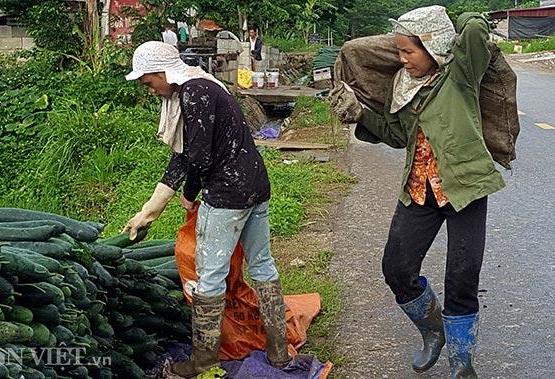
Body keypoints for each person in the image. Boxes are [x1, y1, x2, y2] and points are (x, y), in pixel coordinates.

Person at [329, 6, 505, 379]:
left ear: (434, 47)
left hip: (465, 189)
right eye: (399, 51)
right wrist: (359, 114)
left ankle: (462, 364)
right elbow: (396, 135)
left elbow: (474, 27)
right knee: (396, 268)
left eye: (409, 51)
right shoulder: (401, 87)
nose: (402, 59)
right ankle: (432, 330)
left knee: (462, 277)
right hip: (419, 190)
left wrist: (444, 34)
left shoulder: (460, 74)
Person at [123, 41, 293, 378]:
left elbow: (197, 156)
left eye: (148, 82)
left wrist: (189, 193)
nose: (151, 90)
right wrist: (149, 211)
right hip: (256, 183)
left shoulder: (193, 93)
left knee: (209, 276)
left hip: (228, 191)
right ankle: (279, 353)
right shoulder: (203, 86)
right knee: (262, 265)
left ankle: (203, 360)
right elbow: (183, 156)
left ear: (161, 72)